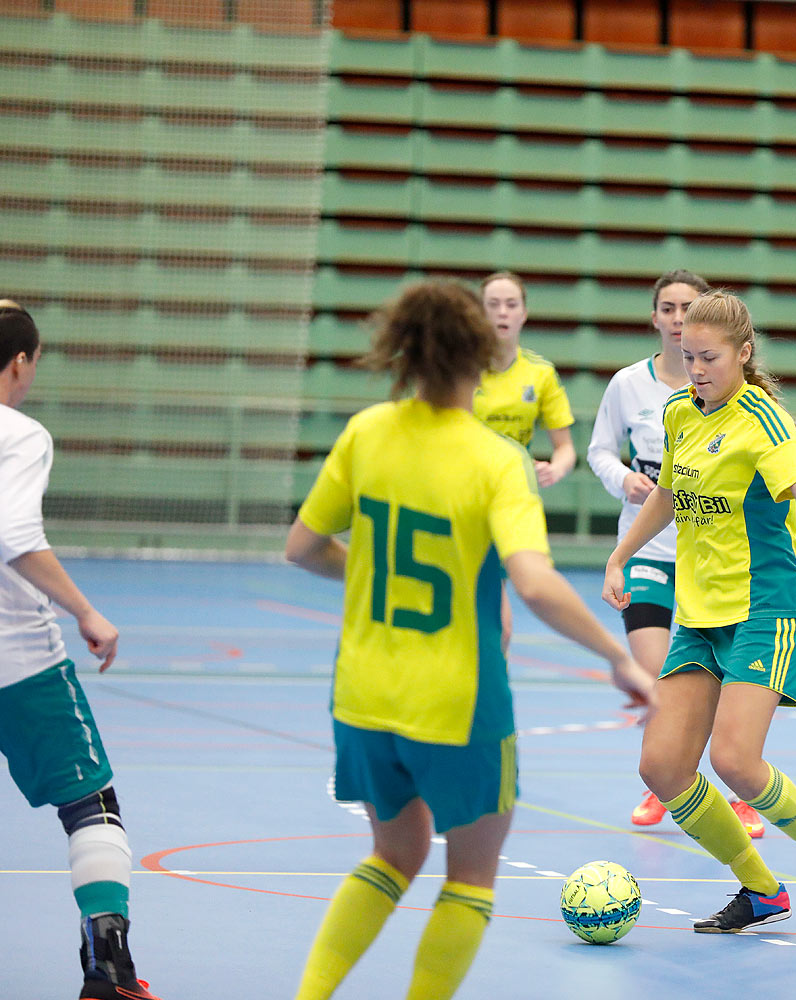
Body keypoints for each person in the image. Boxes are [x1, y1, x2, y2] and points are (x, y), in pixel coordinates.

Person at [285, 280, 655, 1000]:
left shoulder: (367, 431)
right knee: (469, 877)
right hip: (457, 702)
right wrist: (618, 659)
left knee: (392, 858)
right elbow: (537, 585)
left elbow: (302, 547)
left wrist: (364, 568)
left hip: (360, 695)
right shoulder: (495, 461)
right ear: (483, 356)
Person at [603, 290, 796, 933]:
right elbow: (668, 494)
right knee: (661, 766)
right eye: (688, 356)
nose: (696, 369)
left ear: (743, 355)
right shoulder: (678, 413)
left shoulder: (762, 419)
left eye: (710, 358)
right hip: (700, 615)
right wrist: (620, 556)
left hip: (765, 608)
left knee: (735, 762)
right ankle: (761, 891)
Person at [0, 301, 164, 1000]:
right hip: (17, 658)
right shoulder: (19, 433)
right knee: (89, 804)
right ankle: (109, 965)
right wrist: (87, 611)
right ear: (20, 363)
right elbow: (13, 533)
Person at [586, 270, 764, 839]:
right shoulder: (629, 386)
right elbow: (598, 451)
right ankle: (662, 777)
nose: (678, 316)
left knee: (701, 680)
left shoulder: (725, 397)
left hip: (707, 562)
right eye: (668, 307)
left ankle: (730, 788)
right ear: (656, 317)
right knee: (656, 672)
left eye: (689, 306)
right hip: (646, 551)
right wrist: (623, 482)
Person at [472, 270, 575, 653]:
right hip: (462, 500)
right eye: (492, 305)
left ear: (524, 314)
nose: (502, 312)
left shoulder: (540, 374)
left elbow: (565, 448)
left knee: (500, 629)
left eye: (511, 304)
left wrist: (556, 467)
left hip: (508, 504)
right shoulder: (462, 369)